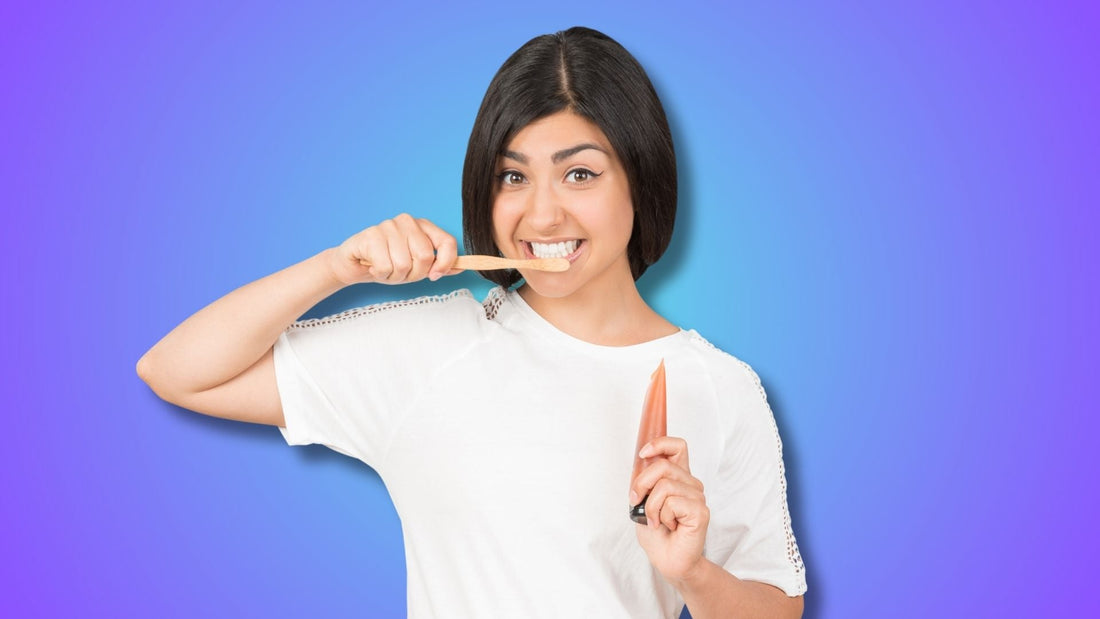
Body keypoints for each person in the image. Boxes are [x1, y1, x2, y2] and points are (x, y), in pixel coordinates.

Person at [137, 26, 806, 618]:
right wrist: (335, 268)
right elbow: (175, 371)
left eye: (579, 174)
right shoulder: (428, 348)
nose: (542, 215)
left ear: (642, 180)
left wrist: (690, 570)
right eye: (513, 178)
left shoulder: (722, 388)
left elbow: (777, 611)